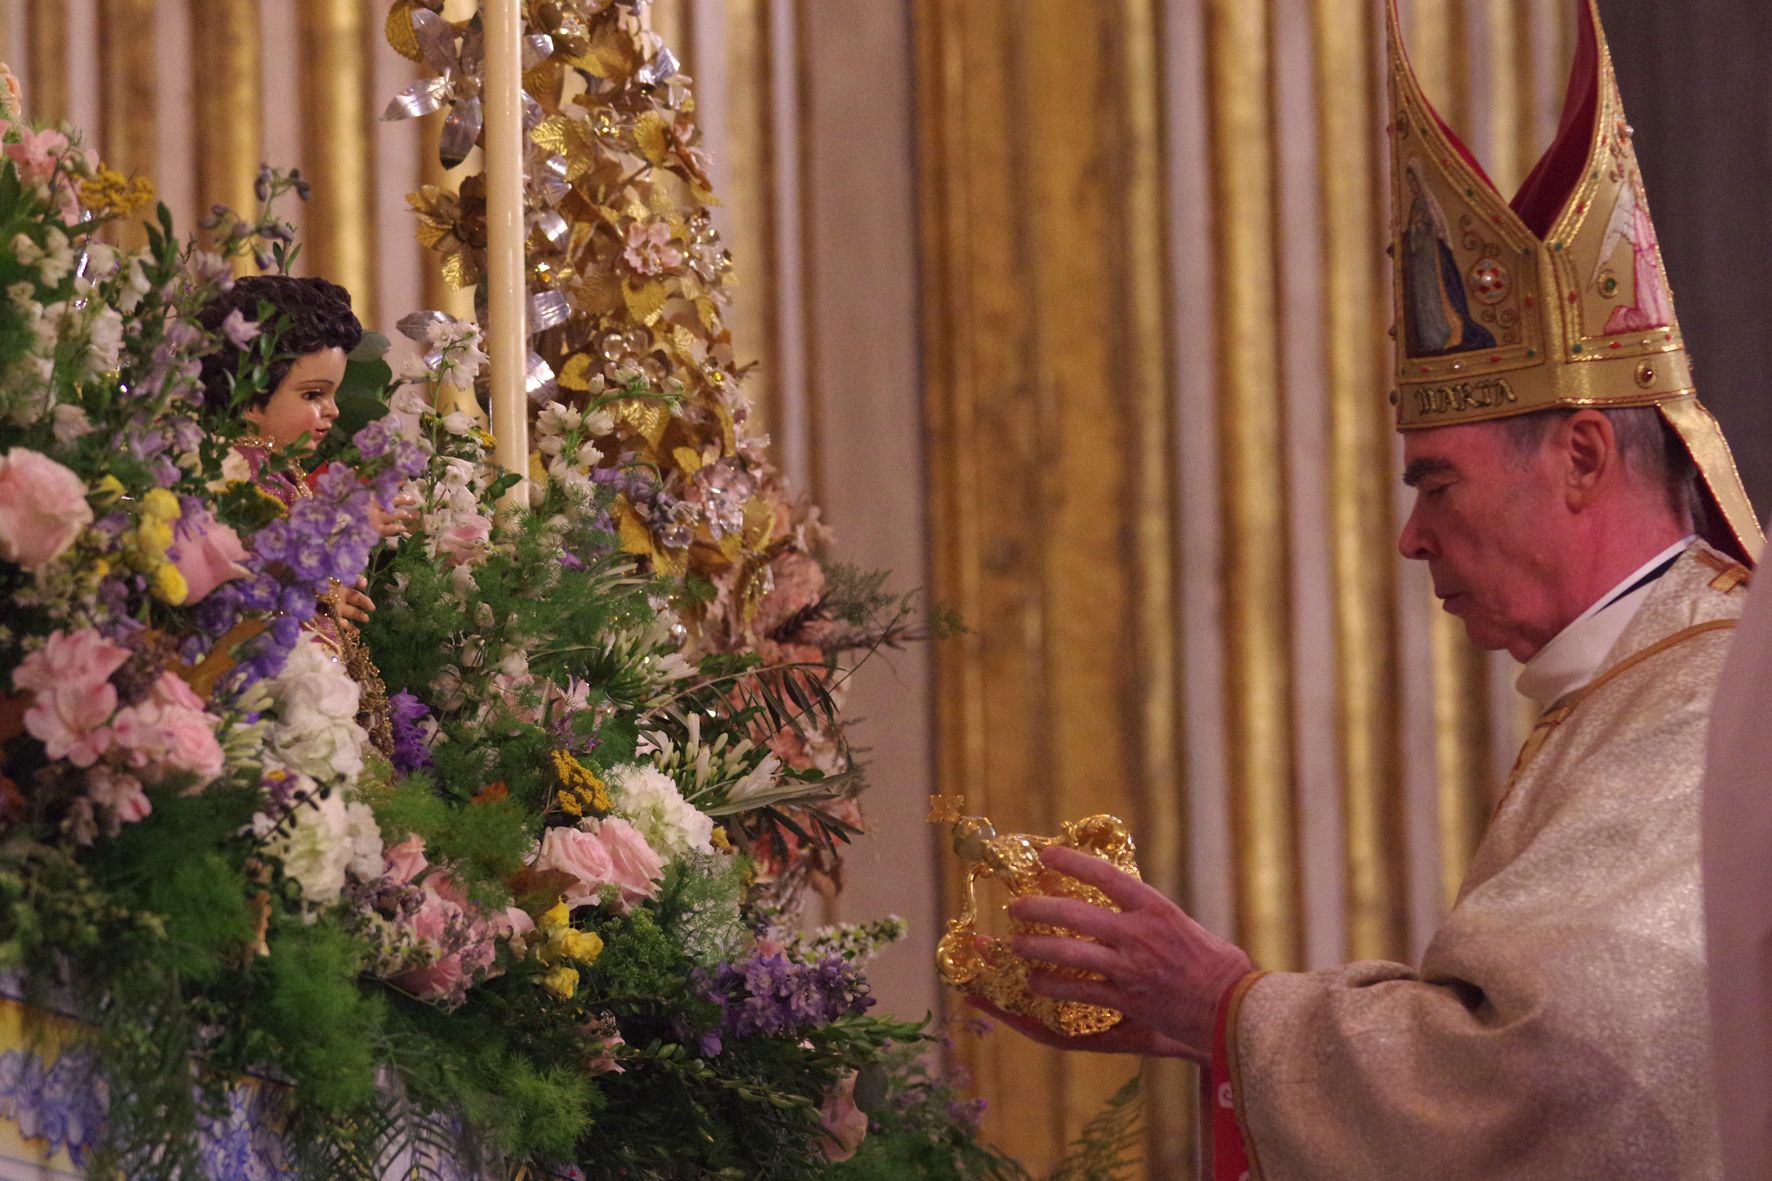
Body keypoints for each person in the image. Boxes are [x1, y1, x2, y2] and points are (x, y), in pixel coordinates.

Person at [979, 3, 1762, 1178]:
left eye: (1436, 483)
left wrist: (1228, 1007)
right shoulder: (1638, 681)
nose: (1408, 537)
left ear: (1584, 457)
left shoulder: (1707, 694)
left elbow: (1565, 1069)